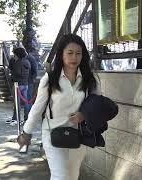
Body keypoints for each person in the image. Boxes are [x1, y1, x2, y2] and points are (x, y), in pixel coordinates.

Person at [18, 34, 99, 180]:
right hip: (52, 133)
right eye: (70, 53)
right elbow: (37, 109)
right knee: (60, 176)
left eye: (78, 53)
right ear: (61, 54)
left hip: (78, 135)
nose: (74, 57)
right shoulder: (50, 79)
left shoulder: (89, 79)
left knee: (72, 176)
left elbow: (96, 105)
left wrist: (84, 115)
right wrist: (26, 133)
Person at [7, 47, 31, 125]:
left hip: (18, 84)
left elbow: (17, 73)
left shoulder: (18, 62)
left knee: (17, 103)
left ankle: (16, 118)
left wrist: (12, 76)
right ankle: (26, 118)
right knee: (26, 101)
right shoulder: (27, 61)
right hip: (25, 83)